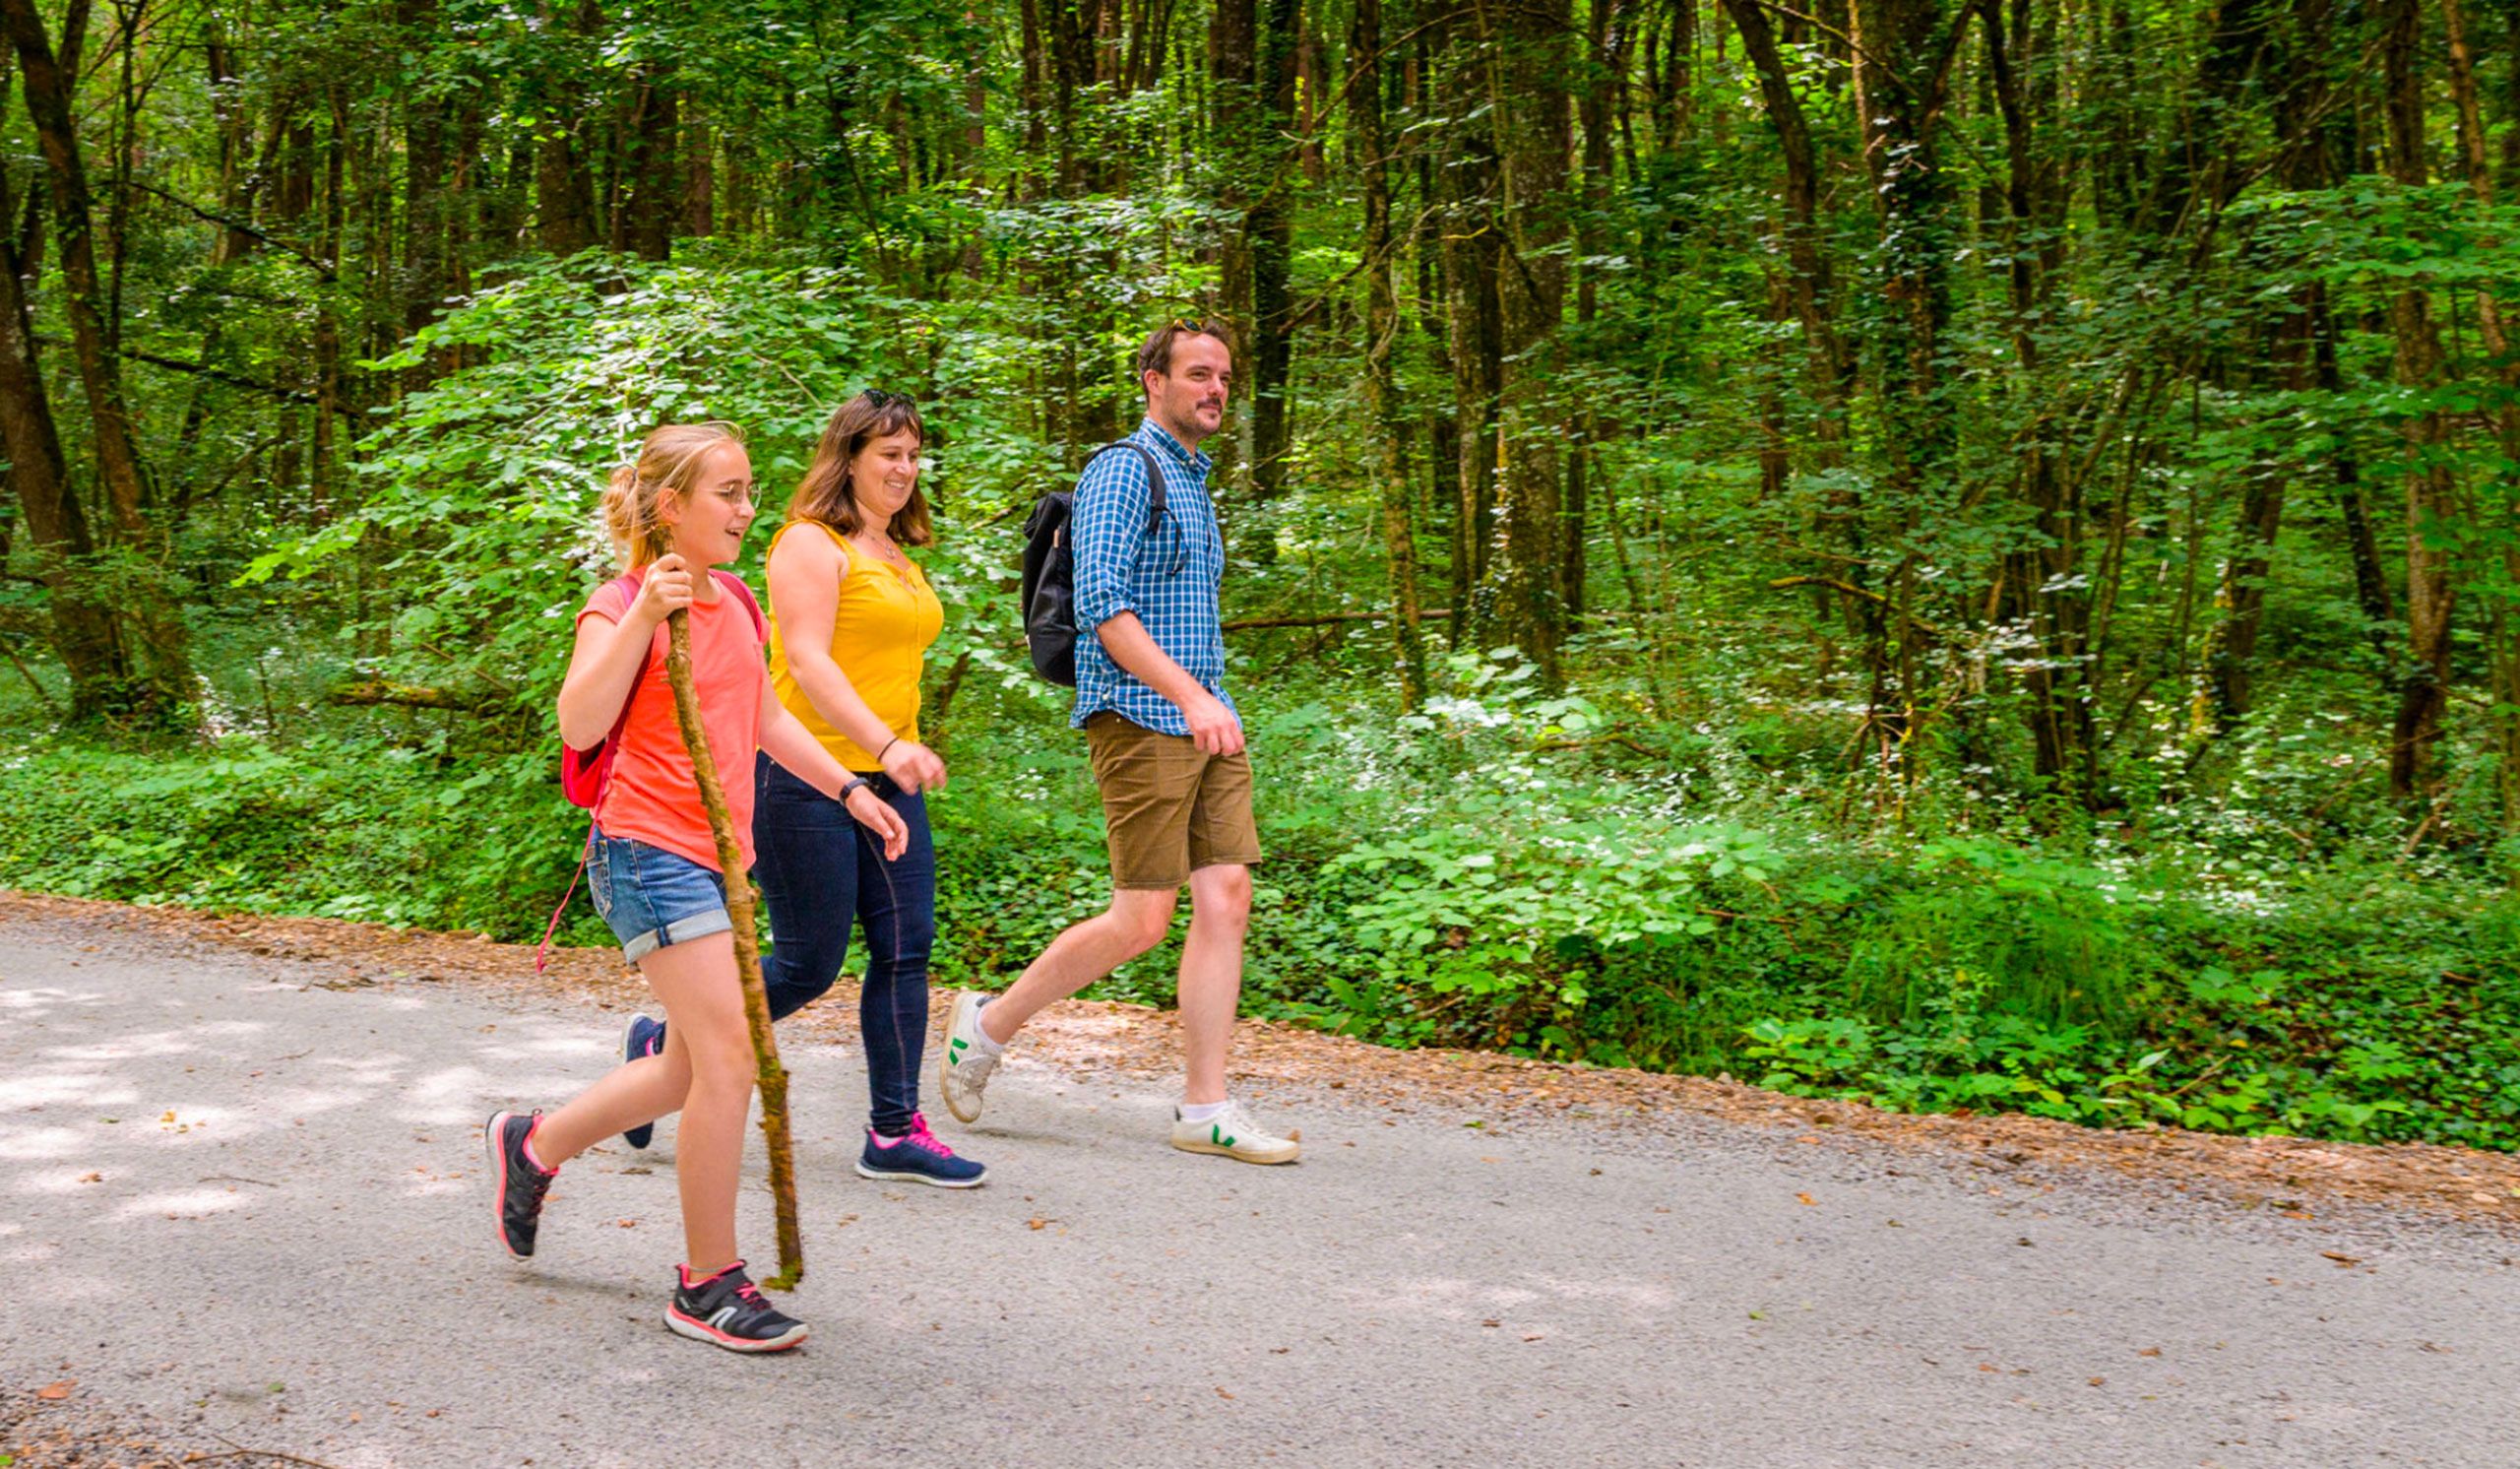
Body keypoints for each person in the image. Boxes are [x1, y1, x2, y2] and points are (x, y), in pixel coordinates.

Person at [484, 421, 909, 1354]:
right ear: (670, 505)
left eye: (751, 489)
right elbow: (578, 718)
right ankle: (708, 1282)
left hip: (719, 859)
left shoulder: (738, 606)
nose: (748, 509)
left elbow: (758, 715)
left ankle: (534, 1143)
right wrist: (641, 619)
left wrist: (849, 788)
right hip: (644, 849)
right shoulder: (623, 601)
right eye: (728, 492)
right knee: (731, 1062)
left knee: (684, 1071)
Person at [935, 319, 1297, 1165]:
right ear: (1153, 382)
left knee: (1228, 896)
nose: (1215, 389)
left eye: (1224, 377)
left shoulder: (1193, 479)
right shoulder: (1121, 472)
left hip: (1206, 716)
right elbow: (1101, 606)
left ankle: (1205, 1107)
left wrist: (1209, 702)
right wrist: (1187, 698)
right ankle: (984, 1029)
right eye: (1198, 374)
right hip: (1140, 716)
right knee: (1142, 917)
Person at [618, 391, 984, 1187]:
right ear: (848, 455)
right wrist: (882, 743)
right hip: (803, 779)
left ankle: (894, 1130)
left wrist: (896, 754)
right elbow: (809, 665)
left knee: (905, 950)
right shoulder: (808, 545)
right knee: (811, 963)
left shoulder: (897, 555)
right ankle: (664, 1042)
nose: (904, 469)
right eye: (889, 453)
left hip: (888, 778)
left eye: (914, 455)